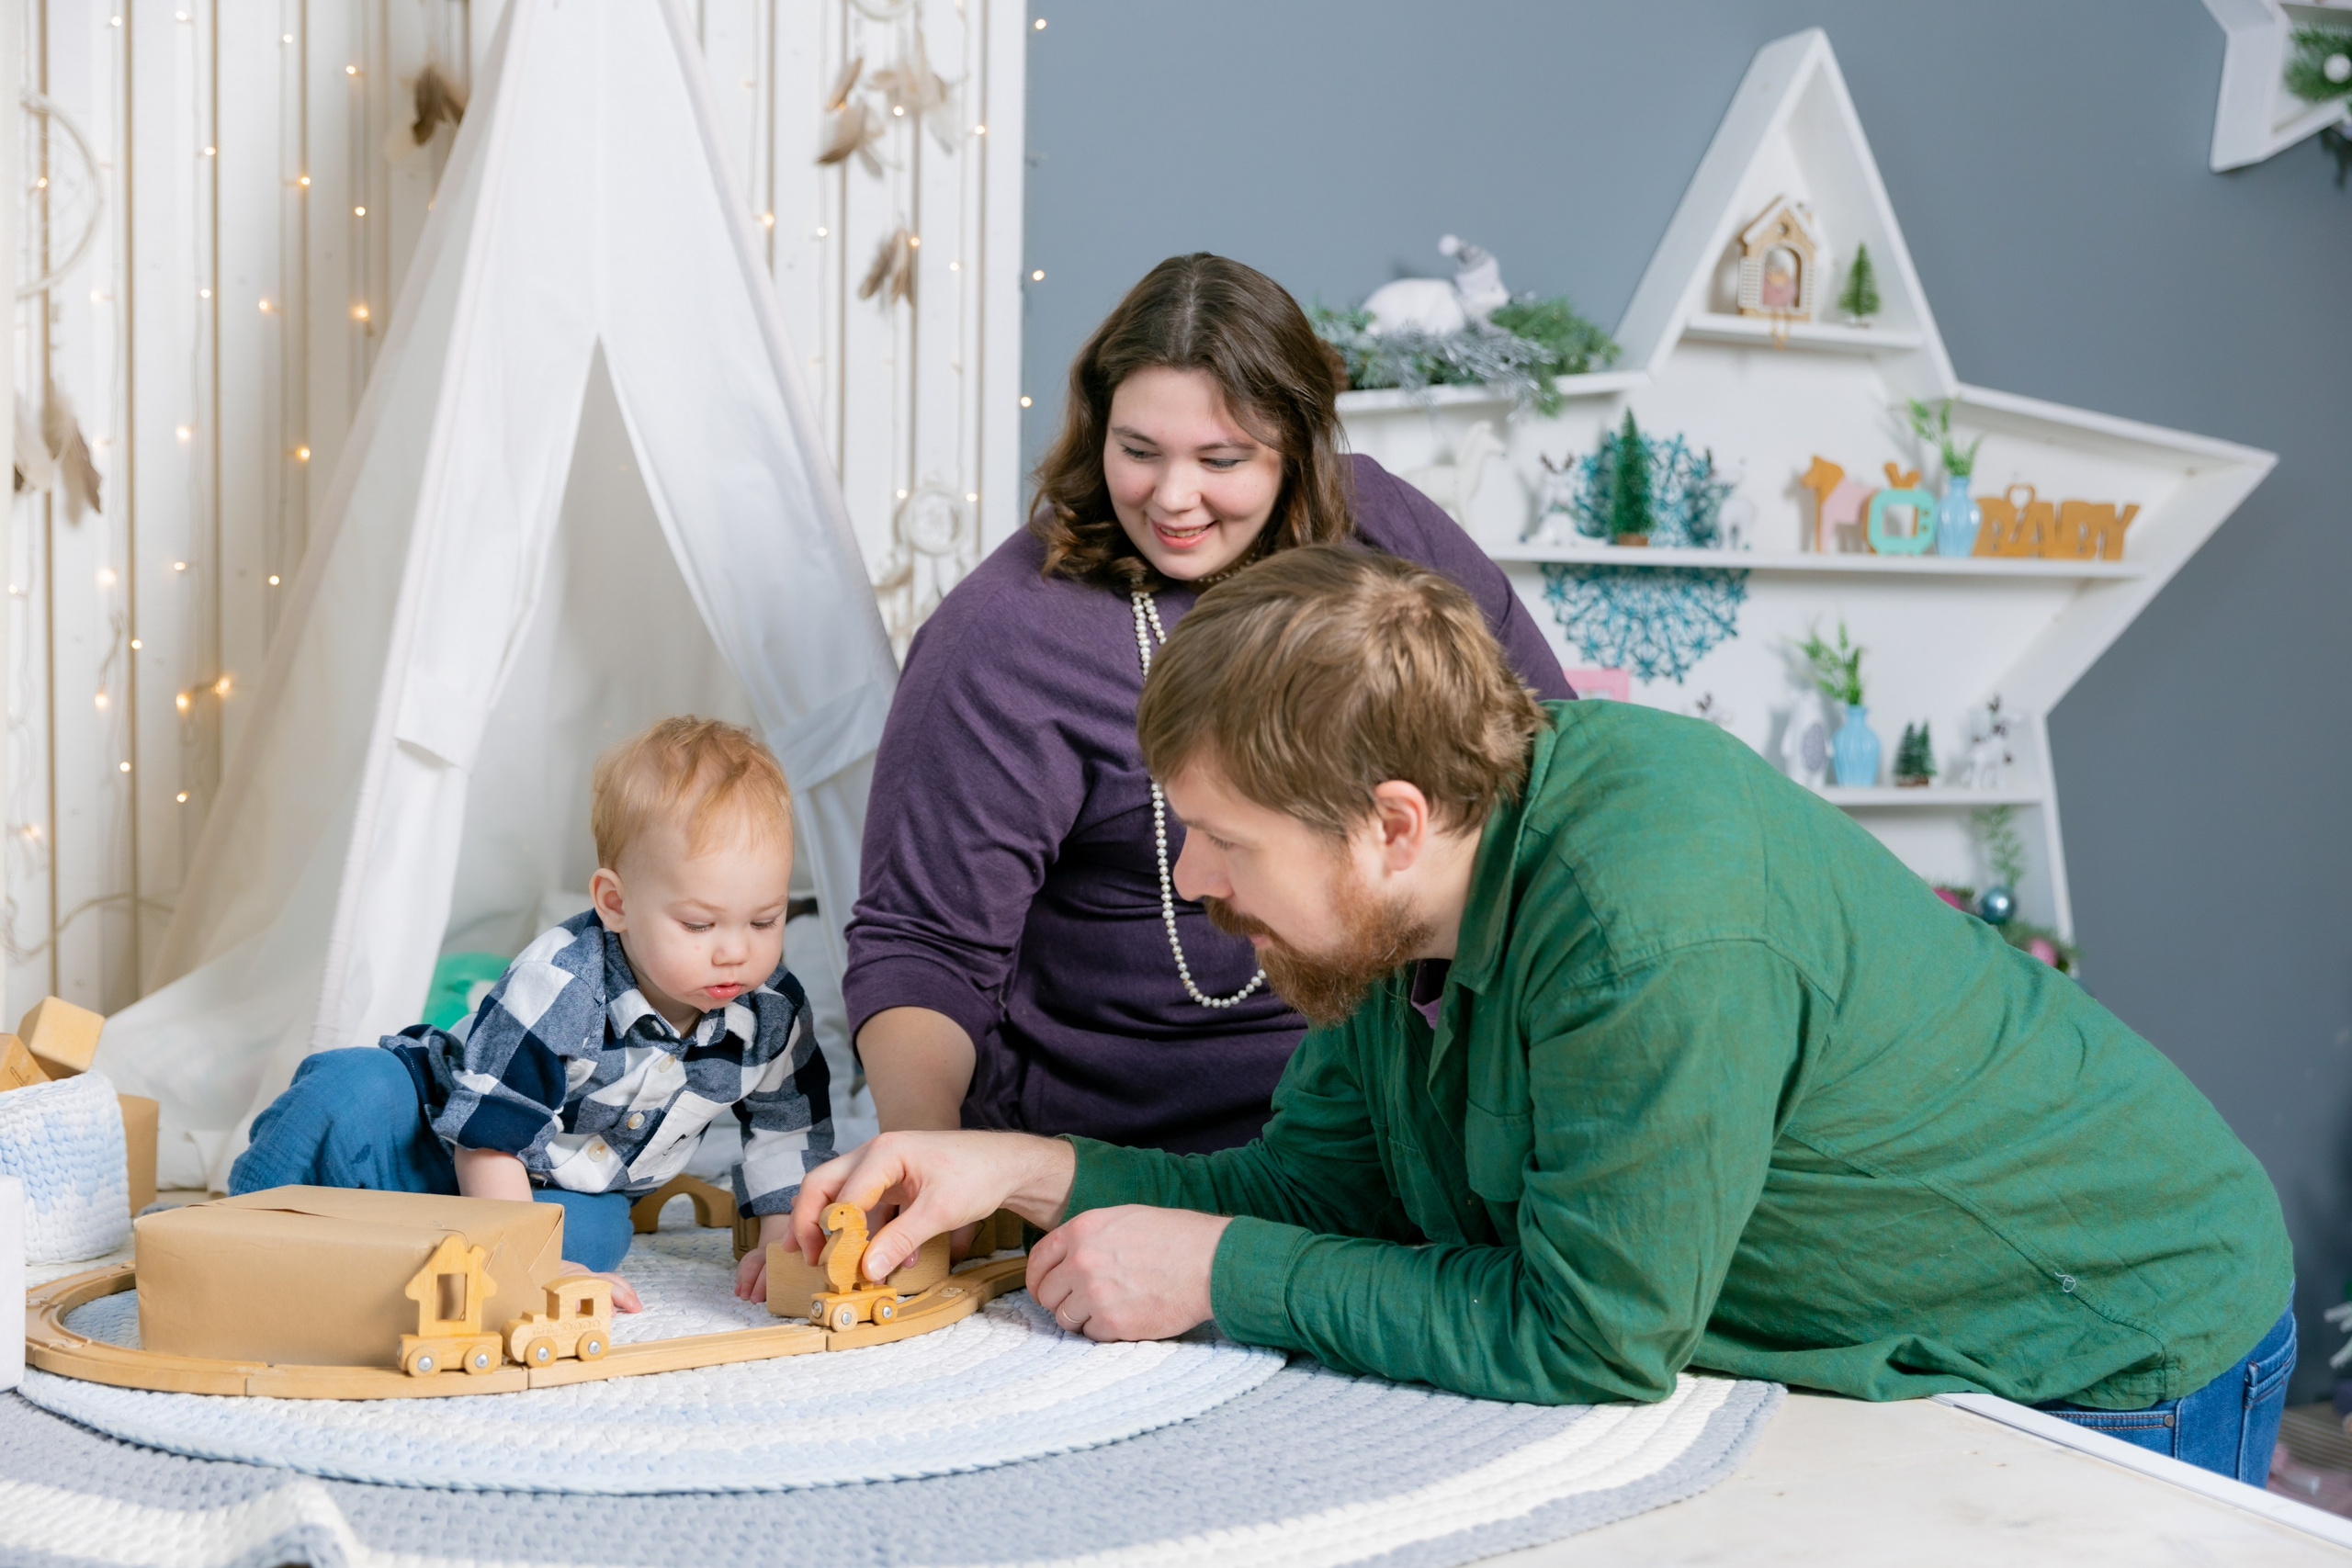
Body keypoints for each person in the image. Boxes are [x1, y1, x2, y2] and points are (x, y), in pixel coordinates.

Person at [797, 546, 2297, 1484]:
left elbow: (1589, 1334)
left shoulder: (1650, 918)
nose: (1192, 882)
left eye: (1224, 837)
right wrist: (1023, 1165)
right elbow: (1317, 1189)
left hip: (2111, 1339)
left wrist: (1224, 1270)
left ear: (1387, 822)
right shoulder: (1394, 921)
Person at [846, 253, 1571, 1157]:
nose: (1172, 498)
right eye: (1137, 451)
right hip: (1125, 1146)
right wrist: (926, 1160)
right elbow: (923, 943)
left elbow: (1548, 763)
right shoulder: (1000, 638)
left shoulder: (1390, 535)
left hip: (1408, 1122)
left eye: (1221, 459)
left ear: (1297, 444)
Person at [230, 717, 833, 1311]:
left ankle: (412, 1236)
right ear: (615, 903)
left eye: (765, 920)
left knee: (597, 1239)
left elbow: (787, 1130)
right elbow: (488, 1140)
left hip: (556, 1185)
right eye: (699, 924)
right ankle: (235, 1229)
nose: (736, 950)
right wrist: (523, 1262)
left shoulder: (771, 1014)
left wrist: (781, 1240)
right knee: (345, 1089)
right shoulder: (562, 985)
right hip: (437, 1129)